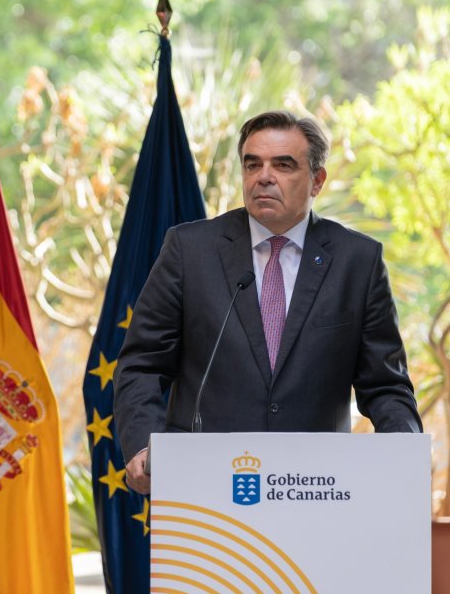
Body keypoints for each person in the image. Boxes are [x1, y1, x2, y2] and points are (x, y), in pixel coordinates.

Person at [113, 110, 422, 495]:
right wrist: (144, 444)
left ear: (317, 181)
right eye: (252, 163)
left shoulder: (357, 262)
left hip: (316, 487)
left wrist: (405, 448)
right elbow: (142, 364)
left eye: (283, 165)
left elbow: (385, 385)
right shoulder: (190, 250)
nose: (263, 176)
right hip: (201, 486)